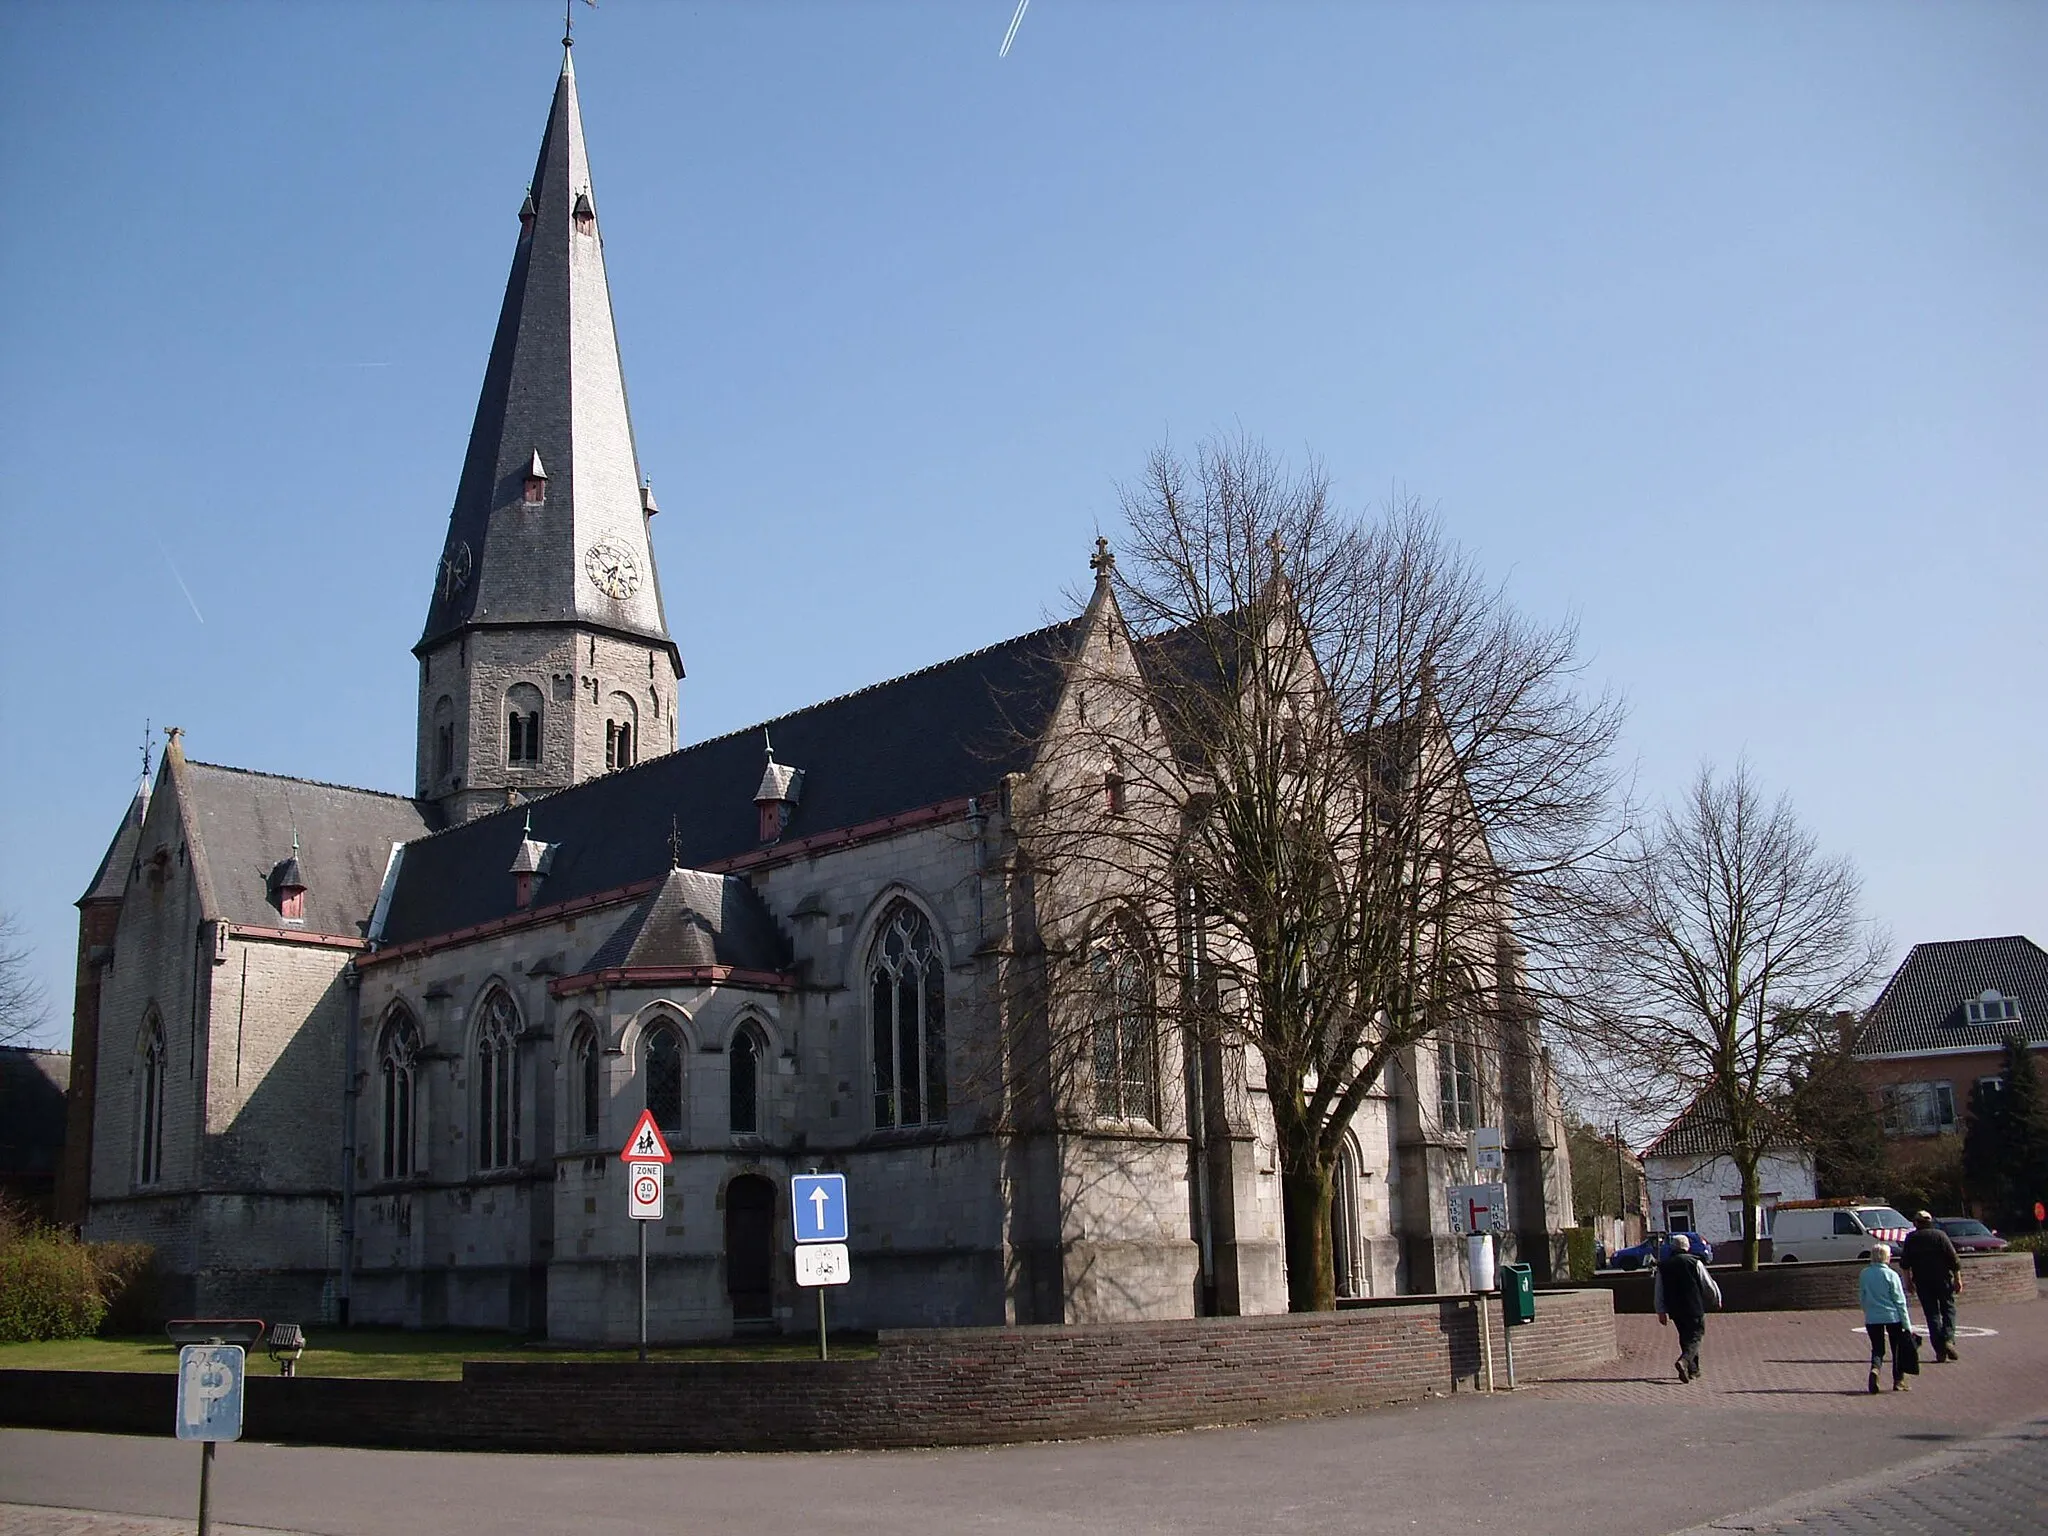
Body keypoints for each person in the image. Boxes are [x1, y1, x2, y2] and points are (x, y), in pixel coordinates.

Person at [1654, 1232, 1722, 1383]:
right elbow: (1708, 1283)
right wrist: (1716, 1299)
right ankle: (1684, 1361)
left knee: (1685, 1338)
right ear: (1687, 1247)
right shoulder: (1694, 1262)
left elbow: (1659, 1290)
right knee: (1696, 1335)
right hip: (1693, 1306)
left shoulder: (1663, 1266)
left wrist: (1660, 1310)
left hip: (1675, 1309)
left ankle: (1693, 1370)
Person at [1899, 1210, 1963, 1362]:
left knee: (1932, 1314)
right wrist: (1957, 1279)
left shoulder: (1911, 1238)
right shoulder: (1940, 1236)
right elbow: (1953, 1259)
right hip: (1943, 1279)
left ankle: (1940, 1349)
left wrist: (1907, 1282)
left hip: (1923, 1281)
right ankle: (1948, 1339)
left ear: (1916, 1223)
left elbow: (1905, 1264)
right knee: (1948, 1309)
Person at [1859, 1242, 1916, 1393]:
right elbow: (1899, 1300)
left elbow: (1862, 1296)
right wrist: (1907, 1324)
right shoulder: (1891, 1275)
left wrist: (1867, 1311)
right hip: (1892, 1316)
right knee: (1896, 1349)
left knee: (1877, 1348)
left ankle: (1875, 1369)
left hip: (1872, 1317)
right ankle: (1898, 1381)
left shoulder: (1864, 1273)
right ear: (1886, 1257)